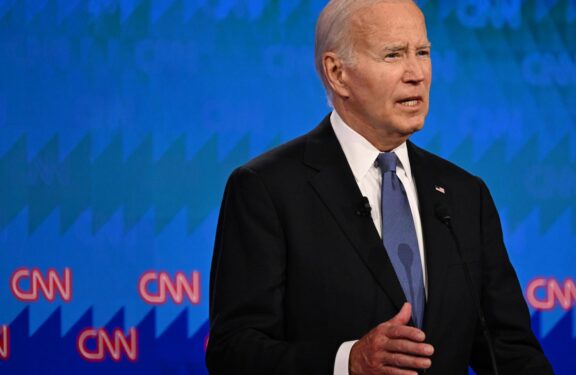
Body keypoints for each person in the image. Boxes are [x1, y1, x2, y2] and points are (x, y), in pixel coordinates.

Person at [206, 0, 554, 374]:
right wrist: (347, 362)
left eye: (422, 52)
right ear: (337, 73)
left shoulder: (464, 194)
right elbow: (234, 352)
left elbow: (509, 351)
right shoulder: (267, 189)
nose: (416, 73)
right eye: (393, 55)